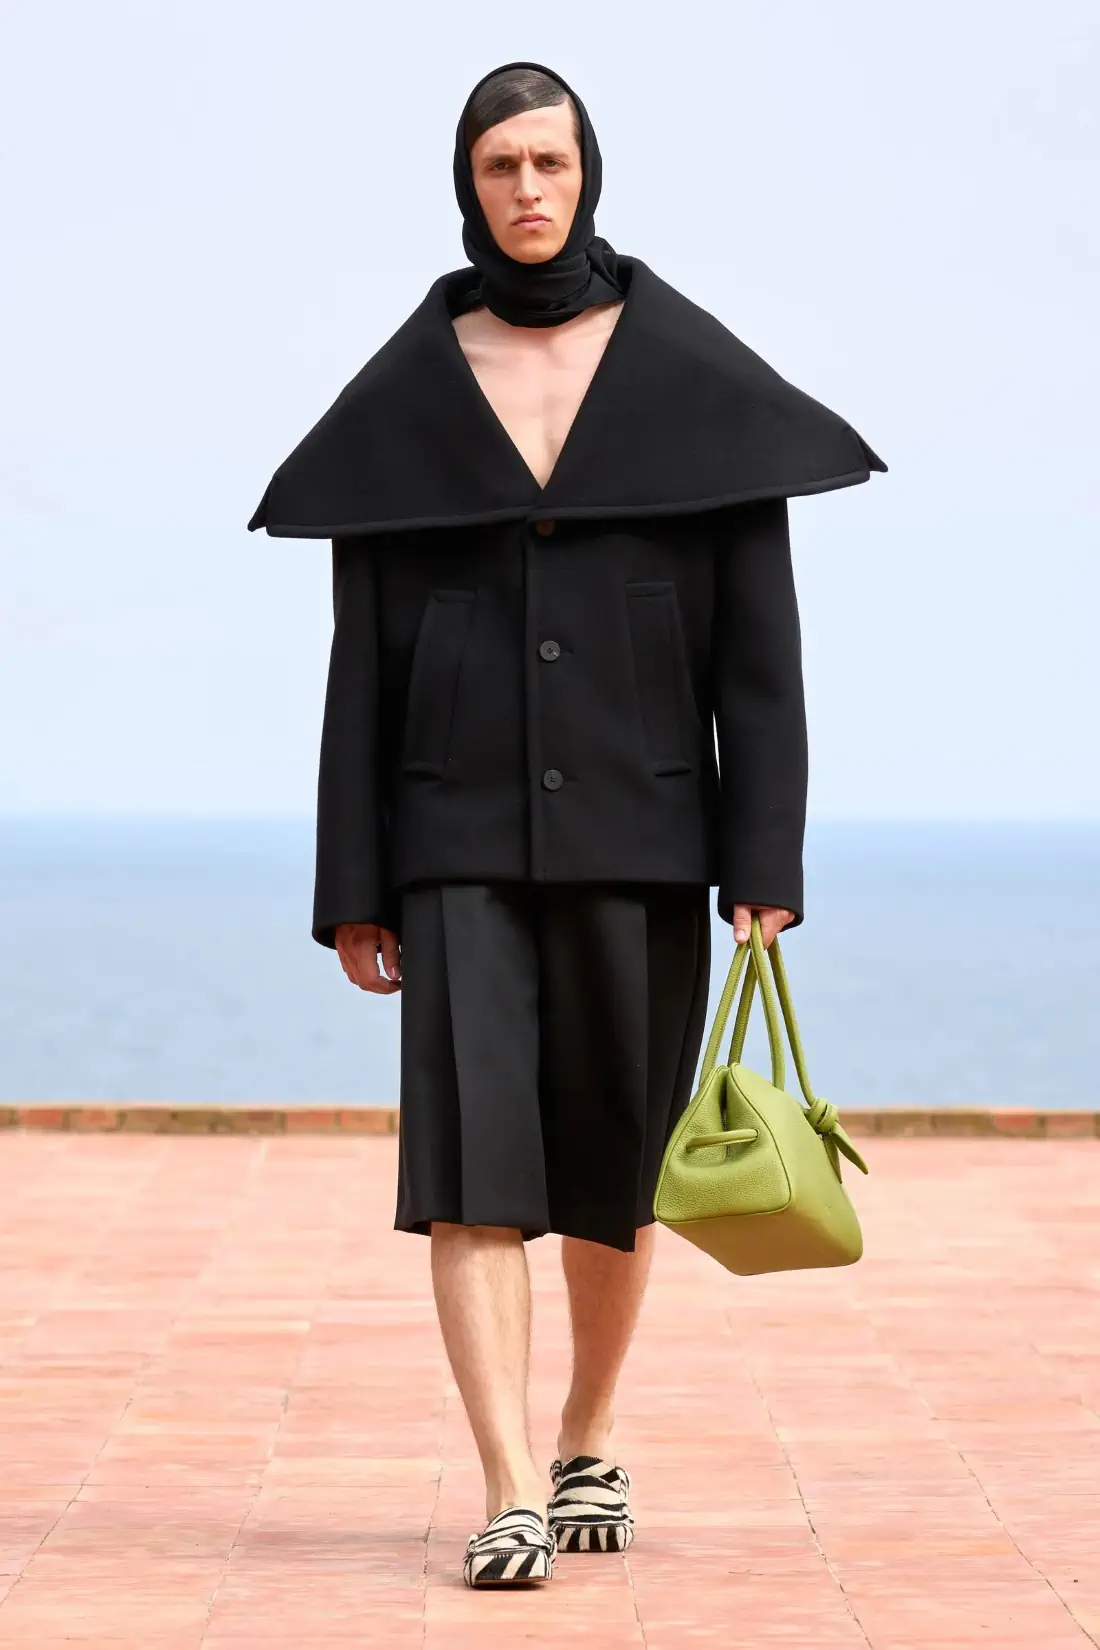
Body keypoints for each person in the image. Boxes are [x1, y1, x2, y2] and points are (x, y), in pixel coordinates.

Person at [248, 61, 885, 1588]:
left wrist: (764, 860)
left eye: (549, 161)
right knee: (468, 1168)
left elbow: (761, 659)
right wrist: (353, 883)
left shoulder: (690, 377)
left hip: (645, 836)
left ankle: (591, 1428)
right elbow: (361, 666)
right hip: (451, 839)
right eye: (500, 167)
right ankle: (509, 1482)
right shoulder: (412, 388)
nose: (527, 190)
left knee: (615, 1162)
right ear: (466, 186)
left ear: (587, 170)